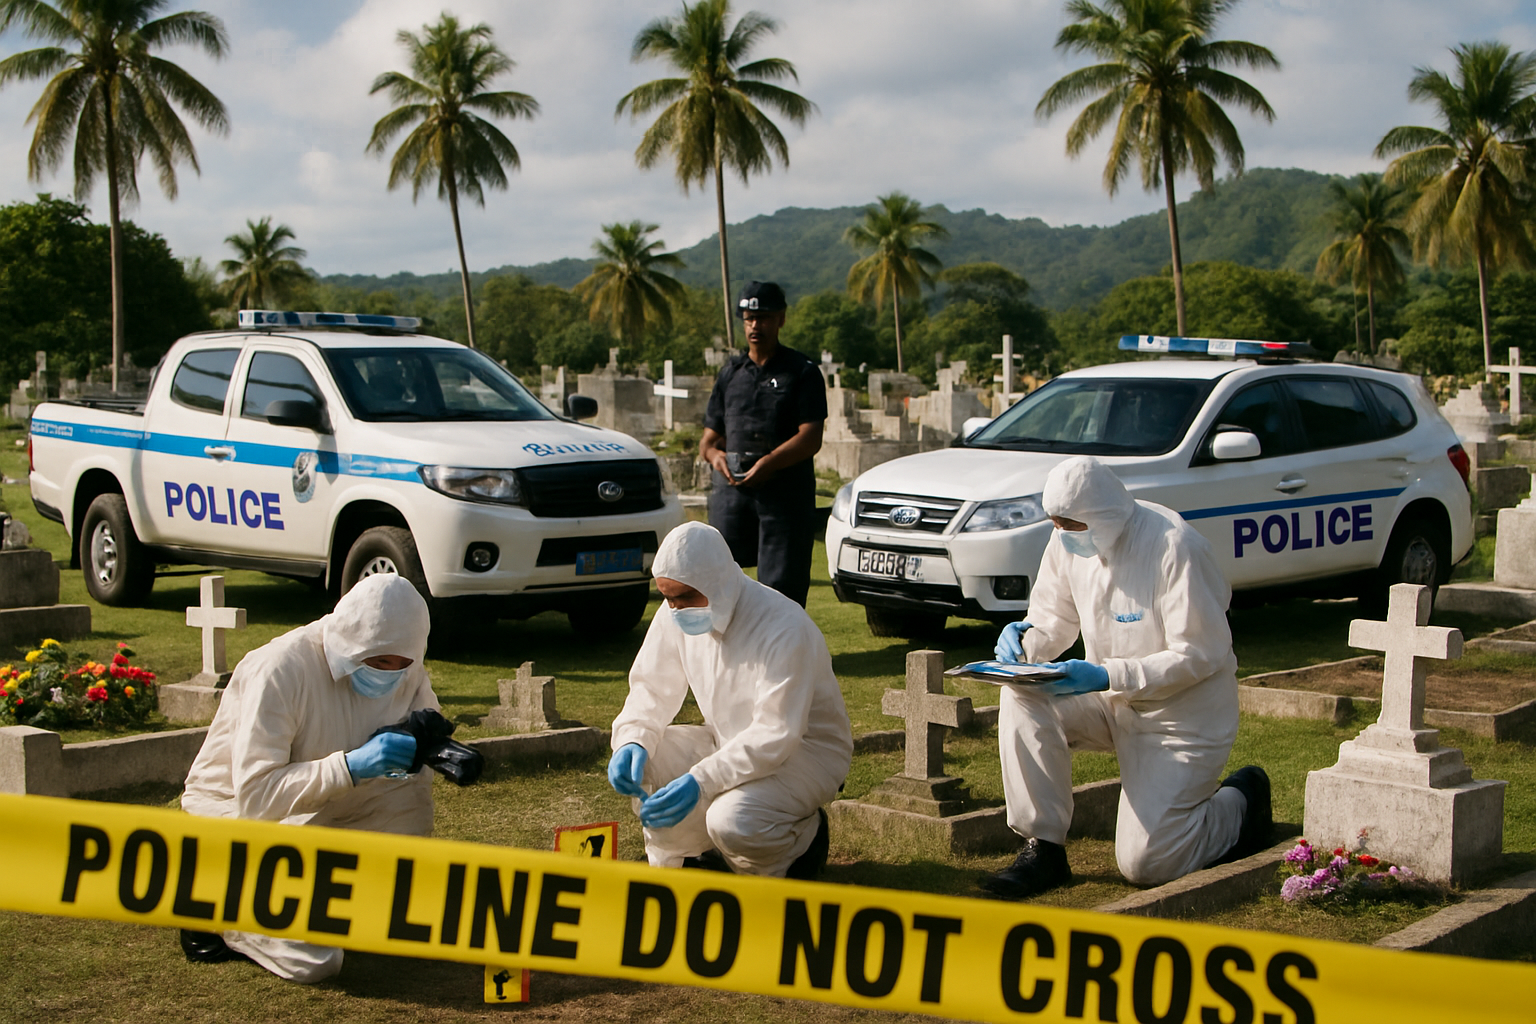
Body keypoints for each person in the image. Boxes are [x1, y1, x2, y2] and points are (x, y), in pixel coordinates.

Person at [982, 456, 1271, 899]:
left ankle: (1241, 802)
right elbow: (1053, 618)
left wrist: (1105, 674)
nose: (1060, 534)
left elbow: (1199, 654)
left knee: (1148, 863)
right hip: (1110, 698)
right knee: (1020, 694)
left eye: (1069, 524)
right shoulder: (1068, 539)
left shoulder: (1175, 547)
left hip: (1182, 718)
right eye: (1054, 523)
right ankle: (1043, 849)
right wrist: (1025, 645)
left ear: (1102, 515)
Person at [180, 574, 438, 982]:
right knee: (315, 959)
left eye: (401, 665)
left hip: (335, 808)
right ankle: (217, 910)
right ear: (353, 645)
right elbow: (257, 798)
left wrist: (439, 746)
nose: (391, 674)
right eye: (379, 663)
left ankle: (339, 901)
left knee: (408, 802)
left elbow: (425, 720)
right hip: (241, 820)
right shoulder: (281, 669)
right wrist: (351, 767)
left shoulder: (407, 667)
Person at [607, 521, 852, 878]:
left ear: (716, 582)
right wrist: (632, 739)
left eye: (686, 597)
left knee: (732, 820)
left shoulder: (783, 626)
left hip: (804, 754)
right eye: (667, 597)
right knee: (649, 762)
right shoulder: (675, 612)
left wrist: (702, 779)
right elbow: (651, 688)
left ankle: (798, 846)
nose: (676, 609)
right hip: (731, 742)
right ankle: (676, 869)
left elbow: (776, 733)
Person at [700, 280, 827, 607]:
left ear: (781, 319)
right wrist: (717, 459)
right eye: (749, 318)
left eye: (765, 318)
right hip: (733, 492)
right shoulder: (731, 373)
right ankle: (730, 657)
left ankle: (785, 657)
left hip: (784, 494)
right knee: (721, 583)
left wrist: (769, 463)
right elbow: (709, 441)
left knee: (782, 591)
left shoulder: (802, 372)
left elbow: (810, 437)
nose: (756, 325)